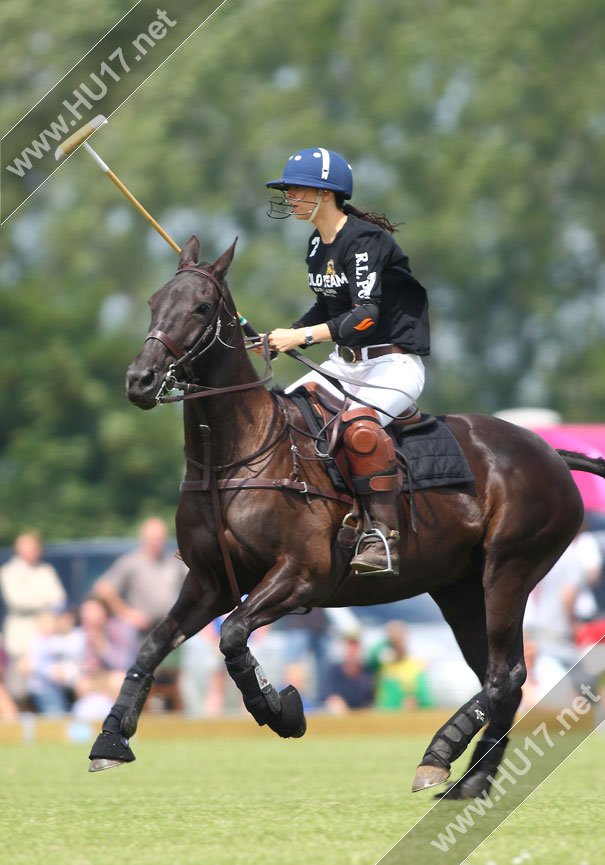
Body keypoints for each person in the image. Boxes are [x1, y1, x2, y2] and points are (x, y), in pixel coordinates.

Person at [265, 147, 430, 575]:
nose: (289, 197)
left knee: (359, 431)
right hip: (346, 363)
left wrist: (299, 336)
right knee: (282, 418)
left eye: (296, 189)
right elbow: (326, 308)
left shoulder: (365, 241)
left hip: (391, 365)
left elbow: (364, 315)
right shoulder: (318, 242)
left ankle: (381, 536)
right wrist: (279, 335)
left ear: (326, 193)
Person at [0, 531, 66, 704]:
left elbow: (59, 598)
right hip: (22, 639)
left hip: (47, 637)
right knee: (19, 689)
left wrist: (42, 601)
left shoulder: (45, 570)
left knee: (45, 686)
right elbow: (17, 601)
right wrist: (45, 601)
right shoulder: (9, 571)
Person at [92, 517, 186, 637]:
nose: (157, 542)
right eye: (154, 538)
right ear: (143, 538)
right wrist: (127, 613)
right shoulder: (131, 562)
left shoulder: (173, 561)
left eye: (160, 538)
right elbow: (102, 588)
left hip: (173, 624)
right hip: (142, 630)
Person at [368, 621, 433, 710]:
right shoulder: (383, 665)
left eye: (400, 638)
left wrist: (416, 701)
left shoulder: (416, 666)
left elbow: (426, 700)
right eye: (394, 640)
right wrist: (387, 640)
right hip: (384, 717)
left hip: (407, 718)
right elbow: (372, 655)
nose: (398, 643)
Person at [324, 633, 375, 714]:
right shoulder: (334, 672)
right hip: (341, 715)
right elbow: (331, 698)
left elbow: (371, 700)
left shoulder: (367, 671)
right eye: (349, 645)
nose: (352, 650)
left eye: (355, 645)